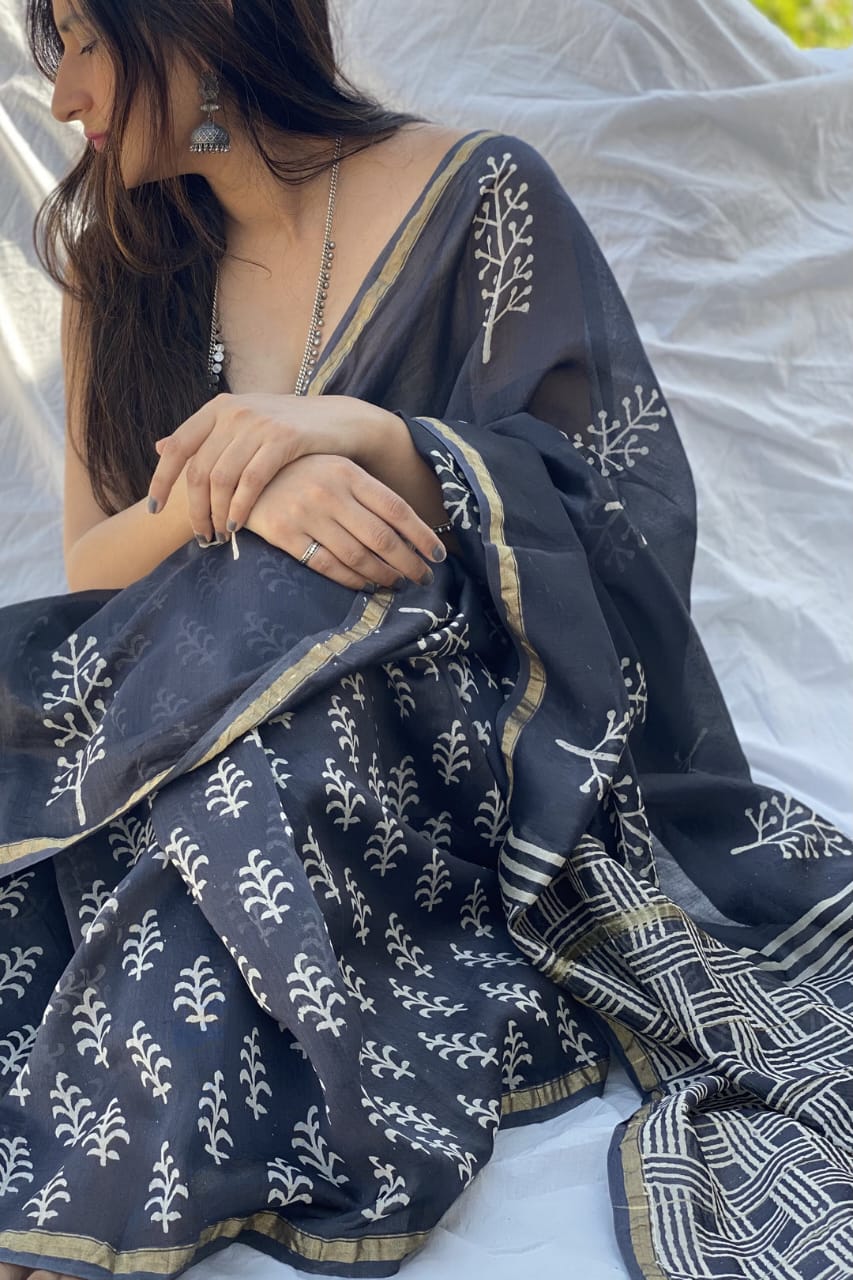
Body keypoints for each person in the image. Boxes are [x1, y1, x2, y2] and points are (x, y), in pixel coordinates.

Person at [1, 3, 851, 1280]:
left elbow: (616, 515)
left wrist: (373, 439)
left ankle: (103, 1176)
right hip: (176, 696)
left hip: (438, 737)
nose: (63, 94)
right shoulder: (120, 260)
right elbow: (93, 563)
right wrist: (252, 479)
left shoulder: (480, 198)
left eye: (80, 37)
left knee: (288, 658)